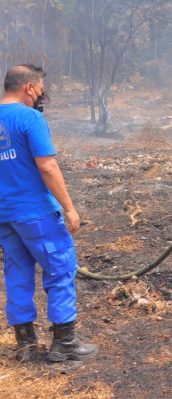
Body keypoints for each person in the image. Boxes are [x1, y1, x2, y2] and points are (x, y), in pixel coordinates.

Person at [0, 64, 98, 363]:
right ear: (29, 87)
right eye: (40, 88)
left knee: (17, 272)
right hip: (37, 213)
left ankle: (25, 345)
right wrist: (69, 208)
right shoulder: (30, 118)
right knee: (60, 269)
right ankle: (64, 344)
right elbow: (47, 166)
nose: (42, 94)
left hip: (5, 216)